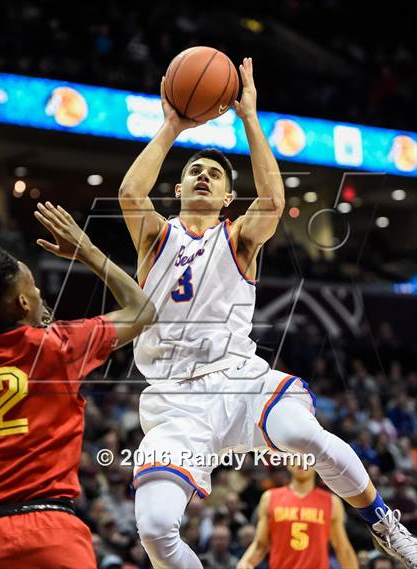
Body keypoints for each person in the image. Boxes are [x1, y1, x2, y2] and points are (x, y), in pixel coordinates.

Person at [119, 58, 417, 569]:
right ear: (179, 189)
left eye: (215, 173)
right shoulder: (155, 235)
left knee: (302, 435)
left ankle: (386, 524)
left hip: (239, 381)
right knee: (153, 527)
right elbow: (128, 193)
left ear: (229, 197)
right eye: (195, 171)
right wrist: (173, 125)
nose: (204, 177)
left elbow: (275, 201)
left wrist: (250, 118)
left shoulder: (237, 237)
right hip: (174, 403)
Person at [0, 202, 155, 568]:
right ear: (23, 303)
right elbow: (141, 310)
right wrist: (87, 251)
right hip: (51, 531)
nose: (39, 293)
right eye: (34, 287)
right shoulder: (57, 345)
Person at [236, 464, 358, 569]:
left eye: (307, 457)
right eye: (296, 456)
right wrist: (245, 562)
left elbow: (342, 549)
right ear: (288, 462)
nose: (301, 462)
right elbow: (261, 545)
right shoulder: (269, 498)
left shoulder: (332, 502)